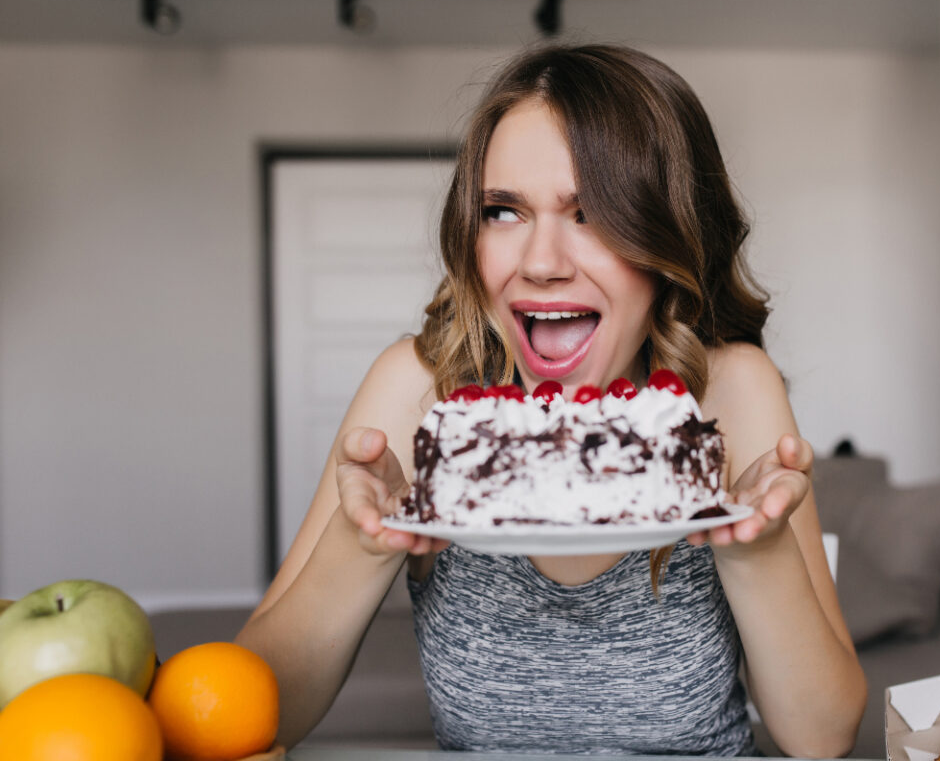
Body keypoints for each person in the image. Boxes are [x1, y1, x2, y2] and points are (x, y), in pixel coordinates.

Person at [235, 43, 866, 756]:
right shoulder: (421, 393)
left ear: (667, 234)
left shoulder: (730, 392)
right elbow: (249, 714)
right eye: (503, 212)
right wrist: (362, 542)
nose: (539, 263)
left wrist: (758, 550)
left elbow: (824, 737)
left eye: (590, 212)